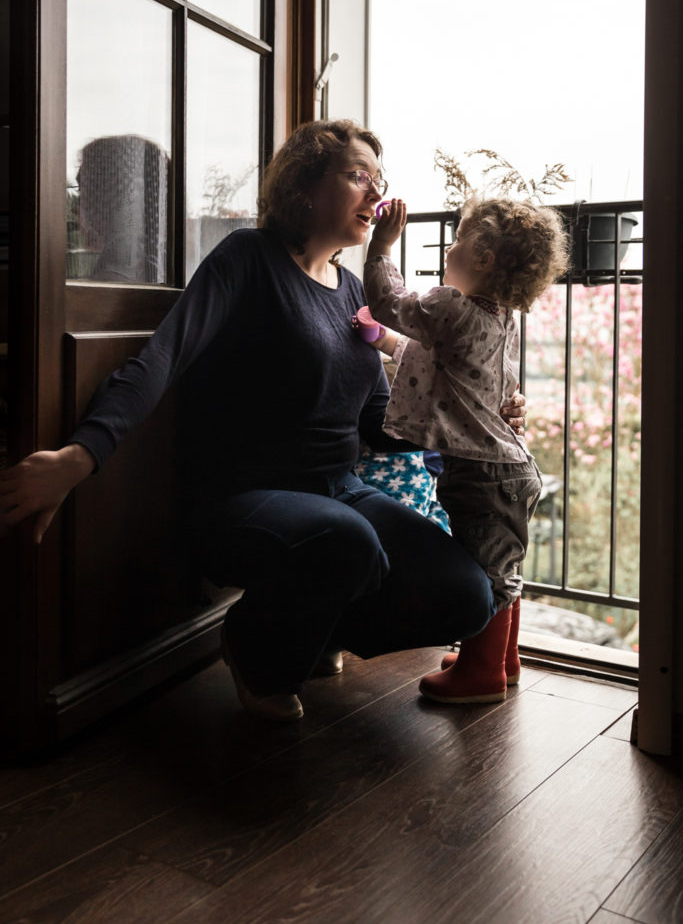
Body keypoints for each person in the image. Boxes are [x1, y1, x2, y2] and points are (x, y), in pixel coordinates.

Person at [0, 120, 527, 722]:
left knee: (468, 596)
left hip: (340, 493)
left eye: (379, 182)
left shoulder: (353, 288)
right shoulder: (247, 258)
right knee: (346, 541)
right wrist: (78, 457)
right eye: (359, 177)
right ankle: (255, 648)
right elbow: (160, 359)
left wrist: (480, 415)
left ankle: (314, 632)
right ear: (305, 186)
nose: (375, 196)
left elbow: (384, 423)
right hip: (241, 498)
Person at [362, 194, 569, 703]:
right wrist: (382, 342)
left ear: (482, 258)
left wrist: (380, 247)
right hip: (509, 469)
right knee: (504, 568)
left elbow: (393, 302)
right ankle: (502, 660)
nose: (449, 249)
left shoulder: (450, 306)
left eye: (457, 241)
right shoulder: (500, 321)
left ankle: (482, 675)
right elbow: (436, 359)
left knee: (489, 574)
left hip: (483, 473)